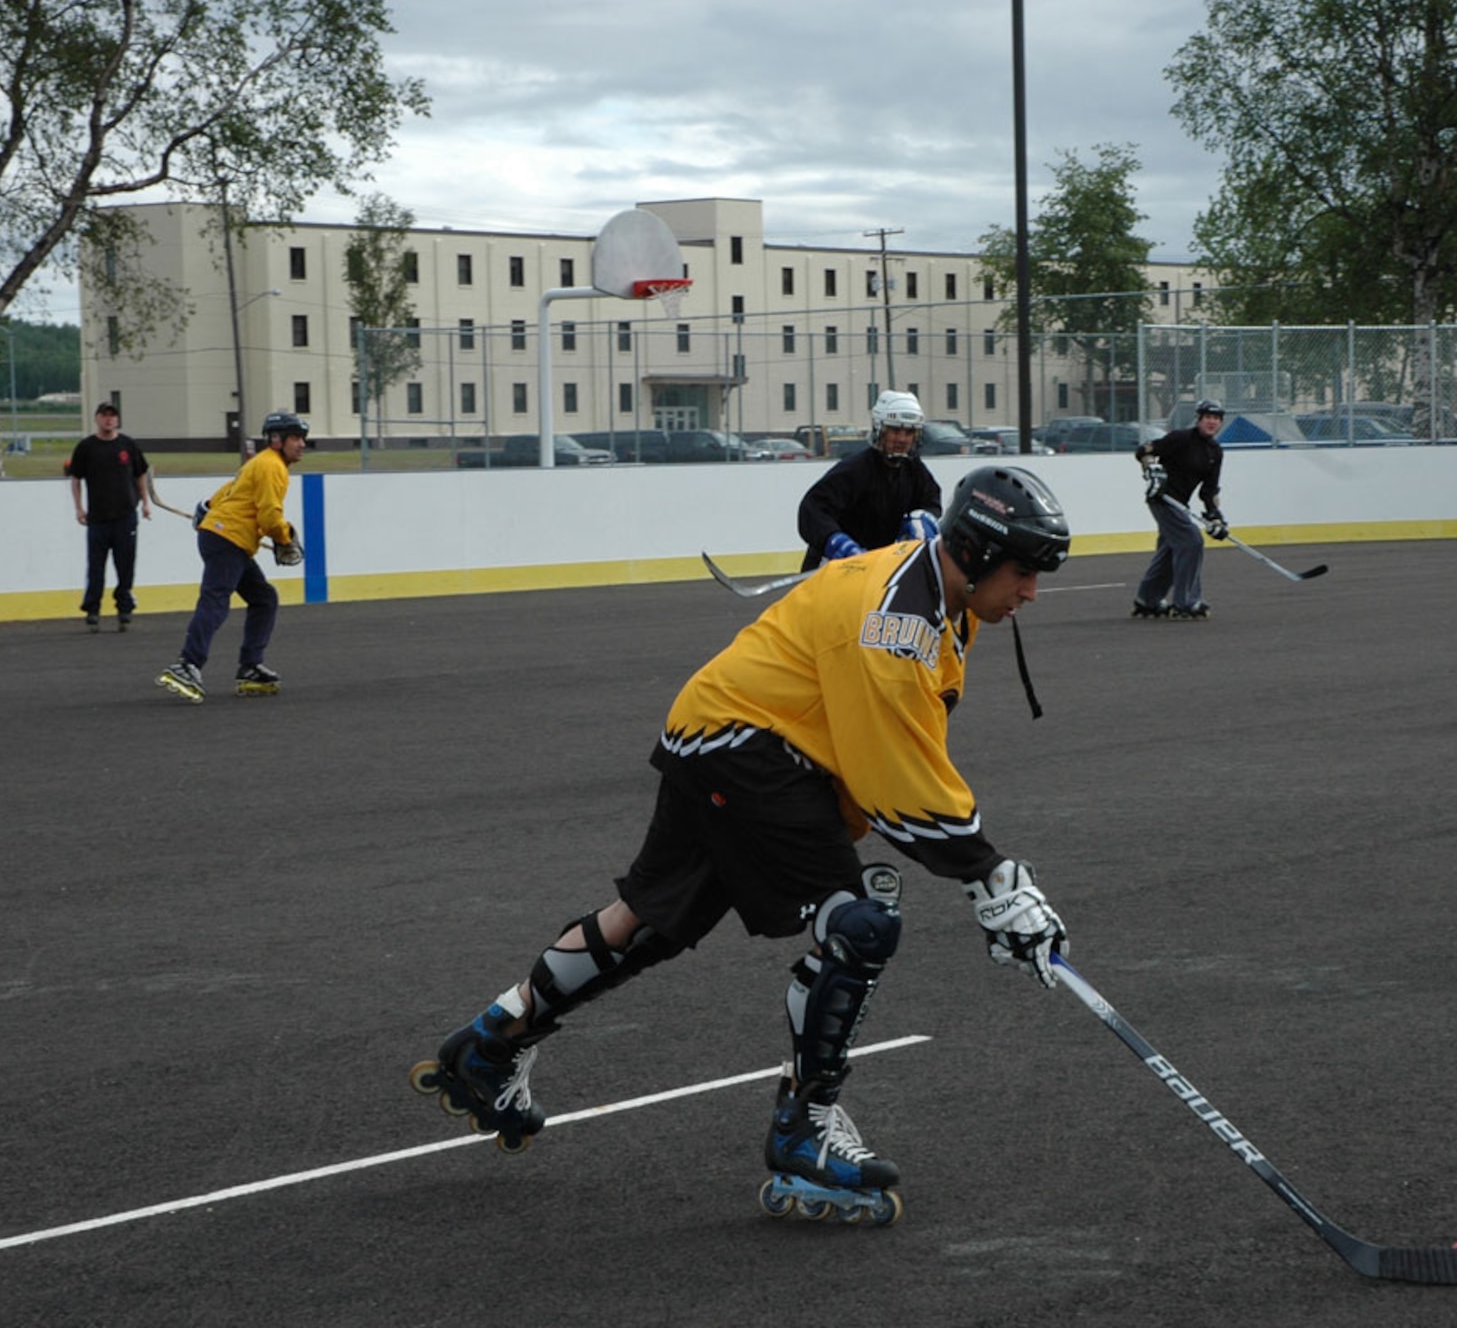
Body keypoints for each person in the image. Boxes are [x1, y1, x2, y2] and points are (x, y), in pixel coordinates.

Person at [412, 466, 1073, 1221]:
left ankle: (492, 1040)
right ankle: (805, 1128)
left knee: (648, 918)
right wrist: (991, 877)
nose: (1030, 592)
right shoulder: (895, 619)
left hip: (714, 729)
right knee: (857, 923)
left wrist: (987, 875)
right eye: (1023, 572)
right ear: (982, 552)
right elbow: (896, 775)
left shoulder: (938, 595)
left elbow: (898, 751)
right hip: (749, 745)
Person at [154, 412, 309, 704]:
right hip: (228, 539)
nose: (302, 444)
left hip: (225, 537)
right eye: (296, 438)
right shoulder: (272, 467)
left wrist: (207, 507)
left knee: (264, 598)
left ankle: (250, 666)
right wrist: (284, 538)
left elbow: (228, 493)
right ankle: (188, 664)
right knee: (215, 601)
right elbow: (269, 515)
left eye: (302, 438)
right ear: (277, 440)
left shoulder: (261, 462)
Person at [796, 389, 943, 569]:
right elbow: (812, 510)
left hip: (877, 572)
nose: (902, 439)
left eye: (909, 432)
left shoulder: (915, 470)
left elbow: (931, 501)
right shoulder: (854, 470)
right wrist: (837, 542)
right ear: (880, 429)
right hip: (833, 570)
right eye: (895, 430)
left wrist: (924, 518)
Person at [1131, 399, 1227, 619]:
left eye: (1216, 418)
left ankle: (1148, 599)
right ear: (1199, 419)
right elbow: (1145, 450)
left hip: (1180, 505)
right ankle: (1187, 601)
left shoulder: (1215, 451)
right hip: (1162, 499)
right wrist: (1151, 468)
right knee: (1191, 541)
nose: (1211, 422)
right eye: (1207, 417)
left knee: (1170, 550)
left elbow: (1209, 491)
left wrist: (1216, 517)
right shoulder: (1181, 438)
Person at [65, 401, 154, 633]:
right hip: (98, 518)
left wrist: (145, 502)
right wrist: (79, 508)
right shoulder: (86, 447)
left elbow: (140, 474)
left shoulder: (128, 446)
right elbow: (75, 479)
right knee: (96, 566)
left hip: (125, 516)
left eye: (112, 416)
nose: (109, 420)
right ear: (97, 418)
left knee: (125, 565)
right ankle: (92, 609)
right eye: (104, 416)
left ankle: (124, 607)